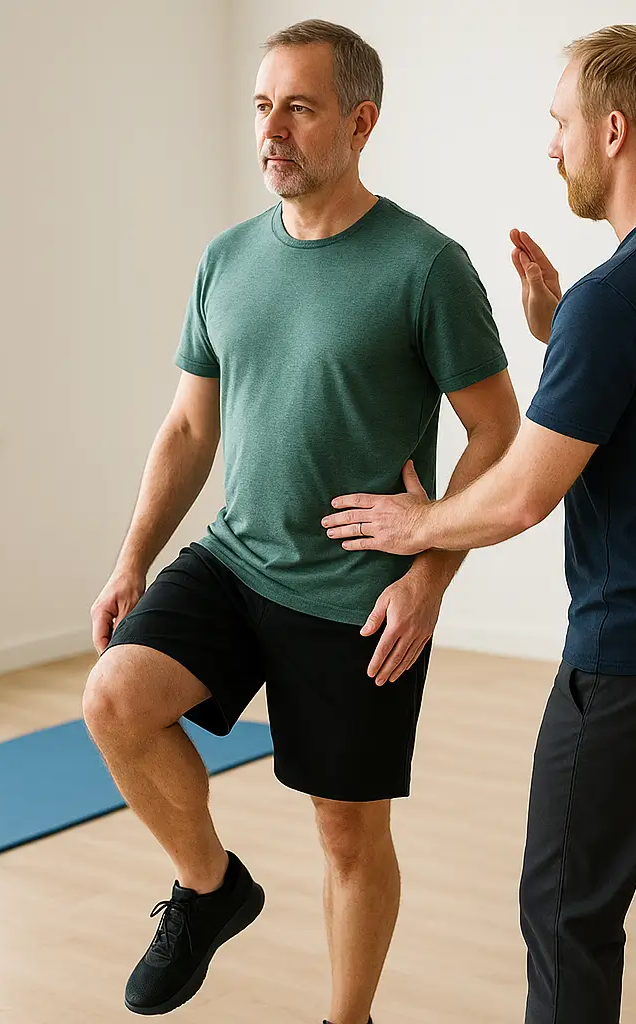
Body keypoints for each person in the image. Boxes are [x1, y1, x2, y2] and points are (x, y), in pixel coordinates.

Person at [322, 24, 636, 1024]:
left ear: (612, 130)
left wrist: (418, 523)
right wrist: (560, 322)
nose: (552, 146)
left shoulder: (616, 300)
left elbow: (525, 491)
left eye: (560, 123)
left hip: (635, 661)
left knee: (566, 912)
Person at [83, 19, 518, 1024]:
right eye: (261, 105)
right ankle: (208, 888)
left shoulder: (425, 266)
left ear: (360, 122)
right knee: (115, 697)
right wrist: (132, 558)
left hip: (357, 593)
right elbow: (191, 425)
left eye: (300, 106)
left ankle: (346, 1019)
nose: (271, 128)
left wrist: (428, 567)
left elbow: (496, 434)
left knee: (346, 839)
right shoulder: (227, 257)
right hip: (236, 560)